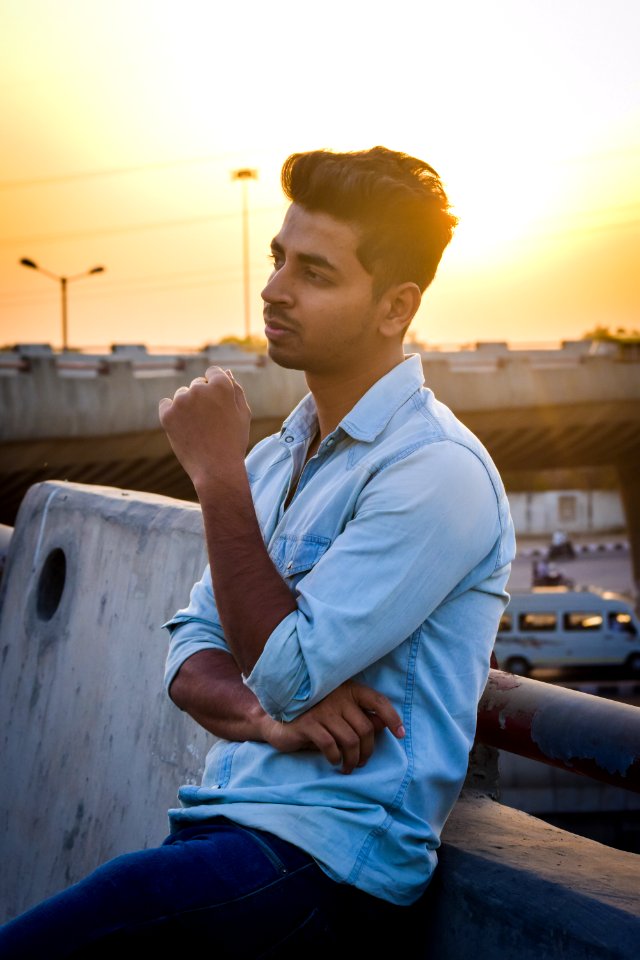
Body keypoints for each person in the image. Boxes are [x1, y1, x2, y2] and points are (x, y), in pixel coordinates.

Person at [0, 146, 515, 956]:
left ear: (395, 306)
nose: (274, 288)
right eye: (279, 258)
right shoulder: (278, 458)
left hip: (330, 871)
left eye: (315, 272)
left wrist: (215, 477)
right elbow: (188, 658)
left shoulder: (435, 472)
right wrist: (268, 722)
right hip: (225, 835)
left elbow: (288, 668)